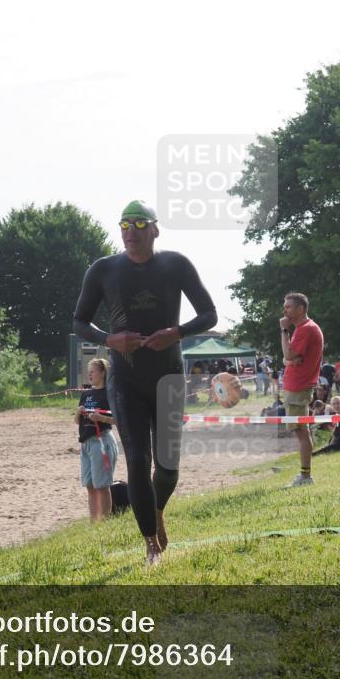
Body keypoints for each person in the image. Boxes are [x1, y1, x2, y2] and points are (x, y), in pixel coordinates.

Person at [72, 200, 217, 565]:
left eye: (138, 224)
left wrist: (177, 332)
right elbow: (79, 322)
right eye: (124, 224)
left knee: (168, 466)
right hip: (126, 378)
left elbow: (210, 314)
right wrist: (110, 340)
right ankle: (150, 543)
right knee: (137, 460)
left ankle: (156, 508)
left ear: (155, 229)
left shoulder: (176, 264)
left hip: (167, 375)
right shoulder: (104, 270)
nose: (129, 231)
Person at [279, 292, 325, 487]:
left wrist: (283, 331)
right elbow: (287, 357)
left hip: (298, 388)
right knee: (301, 431)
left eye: (288, 307)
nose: (285, 310)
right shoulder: (302, 329)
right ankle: (305, 476)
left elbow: (288, 353)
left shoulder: (305, 329)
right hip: (296, 387)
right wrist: (288, 359)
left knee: (301, 432)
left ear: (300, 309)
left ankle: (305, 477)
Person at [75, 358, 119, 522]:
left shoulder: (110, 393)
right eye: (88, 371)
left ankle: (105, 522)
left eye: (92, 371)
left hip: (102, 441)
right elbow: (76, 421)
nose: (89, 374)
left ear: (102, 373)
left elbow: (119, 420)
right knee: (90, 486)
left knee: (102, 486)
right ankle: (94, 522)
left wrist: (101, 417)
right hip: (85, 443)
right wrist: (78, 413)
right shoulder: (86, 394)